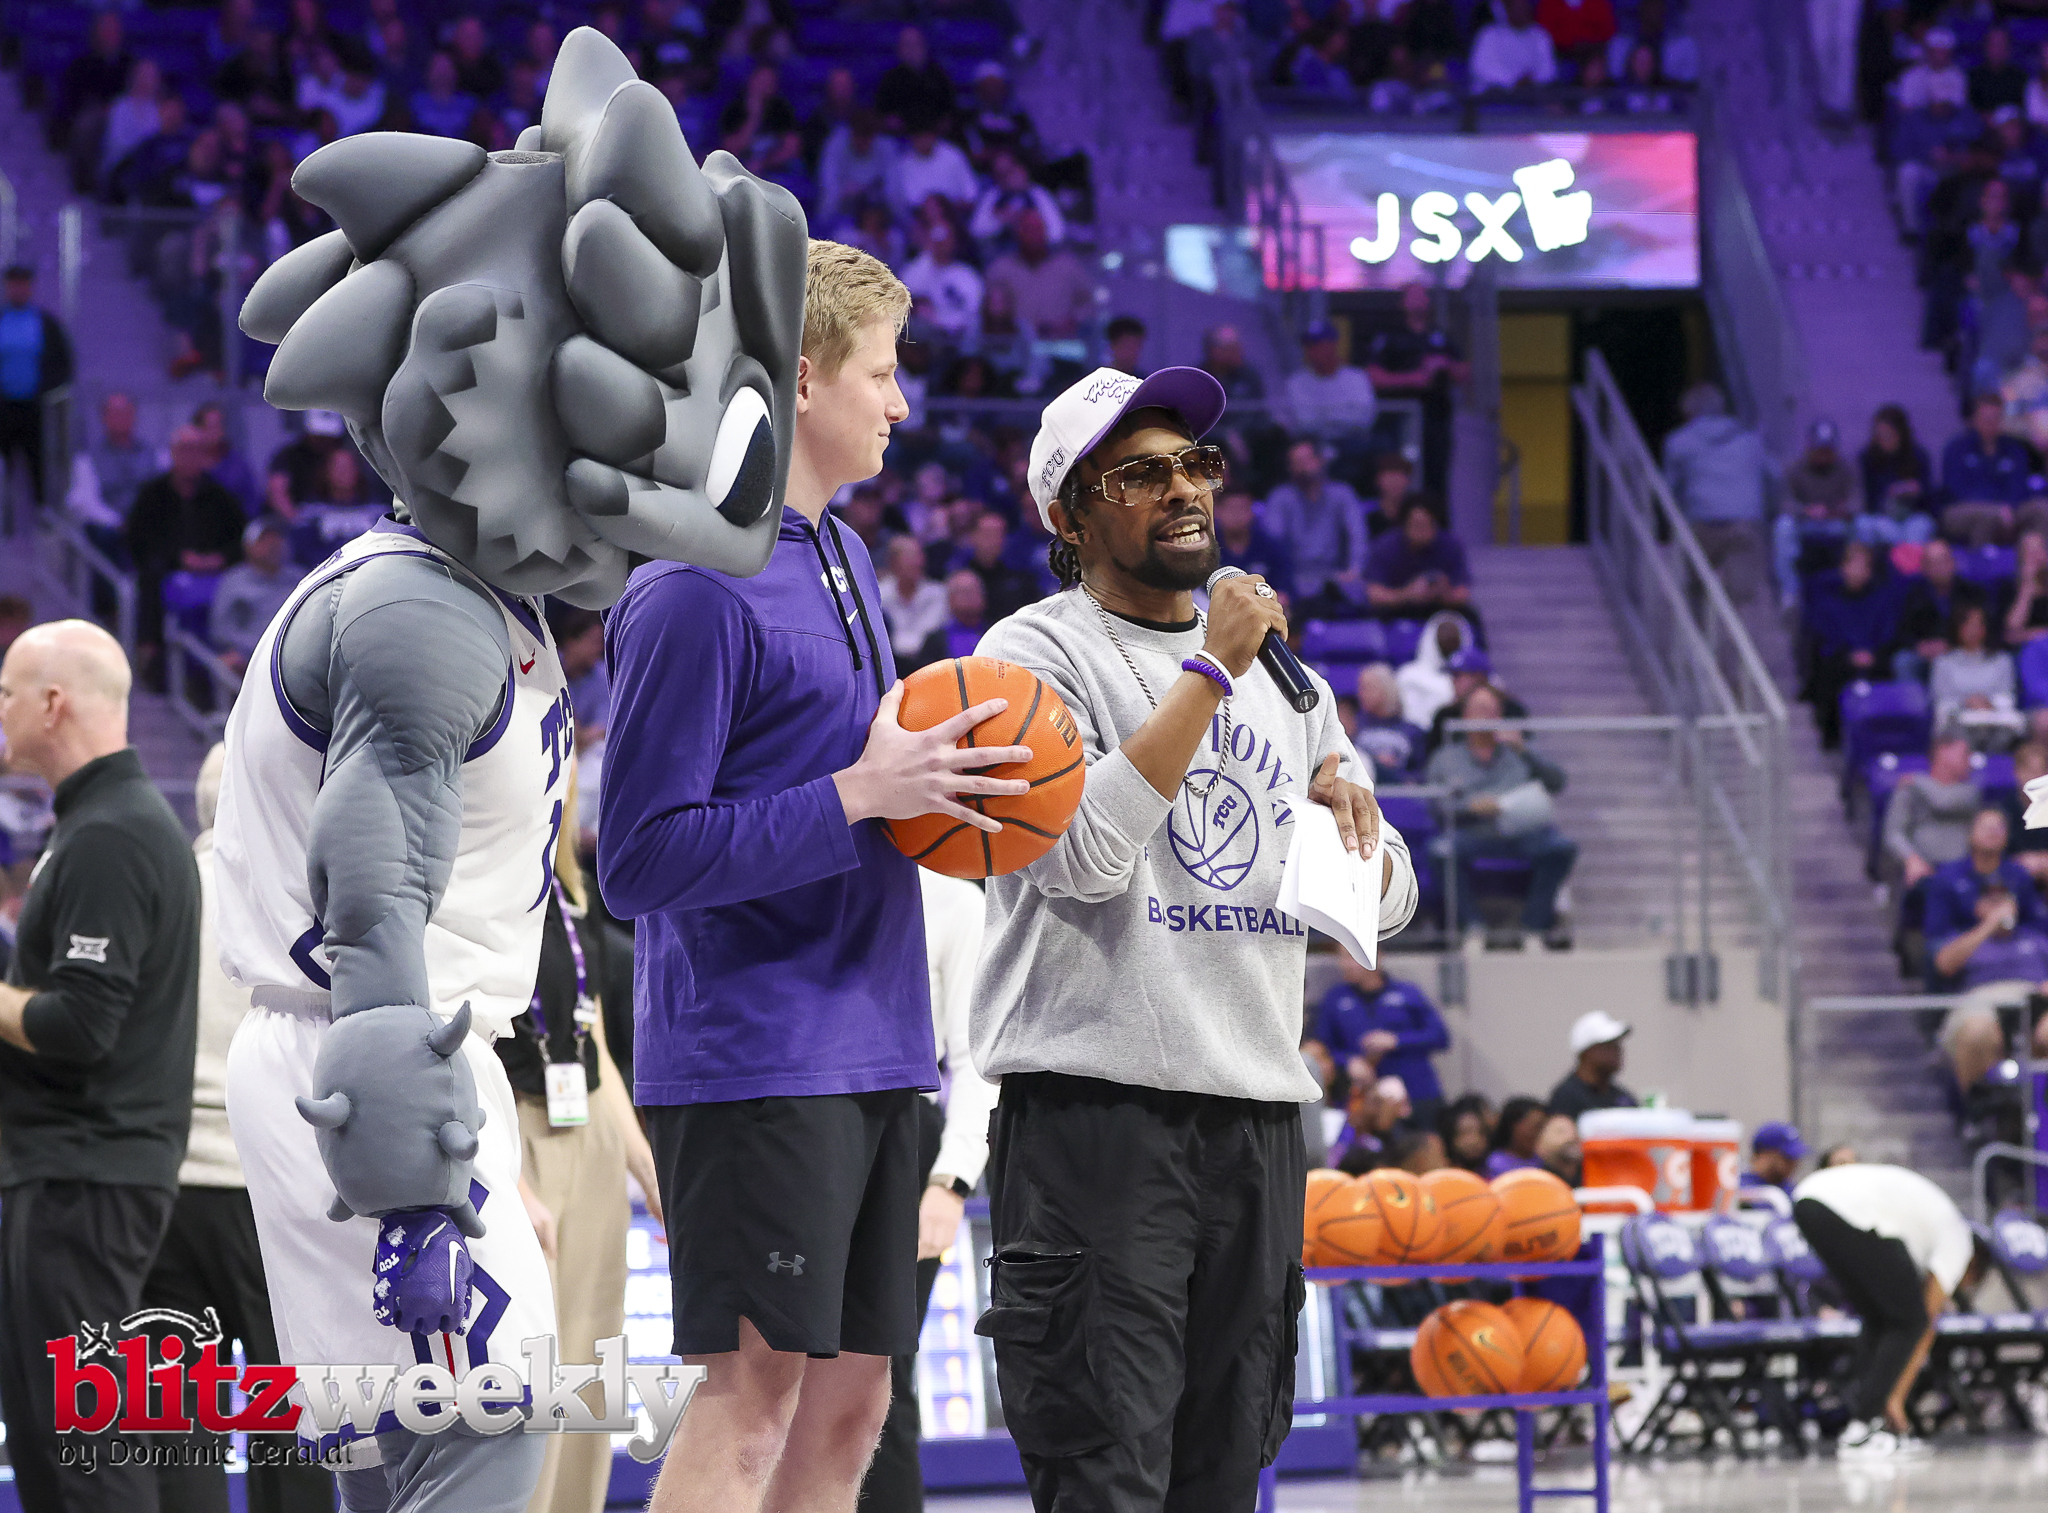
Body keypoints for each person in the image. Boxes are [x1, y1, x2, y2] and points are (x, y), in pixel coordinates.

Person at [598, 242, 1028, 1513]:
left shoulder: (839, 554)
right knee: (747, 1407)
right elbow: (637, 859)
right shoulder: (688, 588)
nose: (901, 402)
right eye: (881, 373)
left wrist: (944, 797)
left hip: (882, 1045)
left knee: (850, 1414)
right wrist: (858, 794)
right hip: (754, 1062)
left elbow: (869, 790)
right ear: (796, 377)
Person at [971, 361, 1417, 1508]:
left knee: (1223, 1475)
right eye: (1139, 474)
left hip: (1256, 1121)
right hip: (1094, 1118)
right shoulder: (1028, 656)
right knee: (1103, 1473)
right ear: (1068, 517)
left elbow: (1391, 900)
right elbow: (1079, 859)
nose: (1182, 490)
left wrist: (1349, 833)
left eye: (1195, 464)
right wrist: (1210, 669)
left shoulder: (1290, 681)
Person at [0, 620, 199, 1511]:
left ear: (52, 703)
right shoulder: (96, 823)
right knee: (56, 1445)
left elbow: (81, 1023)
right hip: (74, 1170)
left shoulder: (111, 834)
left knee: (86, 1454)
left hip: (86, 1175)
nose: (1, 710)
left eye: (7, 692)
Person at [144, 744, 331, 1513]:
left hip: (169, 1184)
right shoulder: (299, 900)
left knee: (178, 1430)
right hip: (272, 1184)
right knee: (292, 1423)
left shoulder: (158, 889)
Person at [498, 773, 661, 1513]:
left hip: (588, 1130)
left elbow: (592, 1043)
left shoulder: (572, 892)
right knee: (526, 1363)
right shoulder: (474, 889)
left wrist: (645, 1165)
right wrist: (505, 1176)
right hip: (513, 1131)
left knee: (594, 1356)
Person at [859, 870, 999, 1513]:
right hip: (804, 1132)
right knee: (783, 1372)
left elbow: (976, 1058)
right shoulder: (813, 867)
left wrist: (951, 1180)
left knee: (879, 1374)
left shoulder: (955, 900)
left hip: (905, 1141)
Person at [1791, 1161, 1986, 1459]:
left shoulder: (1930, 1228)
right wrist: (1895, 1398)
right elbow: (1925, 1321)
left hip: (1810, 1203)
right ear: (1973, 1266)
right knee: (1908, 1321)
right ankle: (1866, 1426)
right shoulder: (1958, 1242)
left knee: (1879, 1318)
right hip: (1842, 1208)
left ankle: (1866, 1423)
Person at [1425, 684, 1577, 948]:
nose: (1485, 716)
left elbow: (1558, 783)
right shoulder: (1446, 757)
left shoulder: (1520, 751)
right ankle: (1473, 927)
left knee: (1562, 848)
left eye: (1491, 710)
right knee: (1440, 851)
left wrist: (1524, 751)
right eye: (1479, 709)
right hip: (1473, 832)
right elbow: (1435, 804)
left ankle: (1533, 927)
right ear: (1465, 715)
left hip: (1522, 832)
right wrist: (1469, 807)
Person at [126, 425, 247, 677]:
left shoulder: (220, 496)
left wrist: (219, 559)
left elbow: (242, 538)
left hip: (216, 570)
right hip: (167, 568)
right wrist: (179, 558)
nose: (190, 457)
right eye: (184, 450)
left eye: (196, 450)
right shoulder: (152, 494)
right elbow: (138, 539)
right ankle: (152, 657)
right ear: (172, 453)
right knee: (150, 577)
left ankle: (230, 657)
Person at [1303, 949, 1450, 1122]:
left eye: (1352, 957)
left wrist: (1396, 1040)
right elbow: (1321, 1048)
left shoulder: (1407, 993)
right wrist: (1348, 1061)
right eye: (1341, 957)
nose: (1345, 964)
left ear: (1377, 957)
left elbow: (1439, 1036)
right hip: (1364, 1102)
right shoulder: (1335, 999)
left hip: (1417, 1093)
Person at [1661, 383, 1771, 606]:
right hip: (1745, 523)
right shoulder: (1749, 440)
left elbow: (1670, 490)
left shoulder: (1678, 441)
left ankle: (1696, 625)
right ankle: (1738, 627)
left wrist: (1673, 524)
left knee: (1693, 587)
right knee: (1741, 595)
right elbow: (1772, 479)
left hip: (1702, 524)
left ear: (1688, 412)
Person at [1364, 283, 1465, 495]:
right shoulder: (1390, 336)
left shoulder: (1439, 336)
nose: (1418, 300)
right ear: (1403, 303)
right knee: (1400, 473)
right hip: (1397, 419)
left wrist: (1444, 364)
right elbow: (1373, 376)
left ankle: (1434, 514)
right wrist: (1412, 379)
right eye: (1413, 295)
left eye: (1422, 295)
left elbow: (1465, 372)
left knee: (1436, 476)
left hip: (1436, 418)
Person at [1803, 540, 1901, 749]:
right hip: (1839, 658)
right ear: (1843, 568)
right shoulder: (1827, 601)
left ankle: (1884, 737)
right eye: (1853, 564)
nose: (1858, 571)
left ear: (1870, 571)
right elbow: (1824, 636)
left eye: (1863, 566)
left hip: (1876, 657)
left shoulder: (1882, 599)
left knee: (1895, 665)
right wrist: (1849, 655)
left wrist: (1872, 653)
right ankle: (1833, 738)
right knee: (1827, 668)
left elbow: (1888, 633)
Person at [1262, 438, 1369, 614]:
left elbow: (1357, 537)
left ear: (1320, 460)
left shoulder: (1342, 494)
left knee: (1358, 592)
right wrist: (1280, 579)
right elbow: (1273, 544)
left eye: (1307, 460)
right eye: (1297, 462)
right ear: (1290, 468)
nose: (1303, 467)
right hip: (1294, 577)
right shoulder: (1280, 497)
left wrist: (1354, 570)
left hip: (1336, 576)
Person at [0, 265, 75, 509]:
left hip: (36, 408)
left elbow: (63, 362)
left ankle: (43, 511)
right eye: (14, 284)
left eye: (23, 284)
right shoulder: (2, 320)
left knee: (39, 462)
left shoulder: (45, 323)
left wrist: (49, 392)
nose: (18, 289)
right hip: (3, 408)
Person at [1882, 735, 1981, 891]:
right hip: (1921, 869)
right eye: (1965, 754)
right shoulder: (1908, 791)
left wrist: (1915, 781)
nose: (1969, 760)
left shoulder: (1970, 791)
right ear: (1942, 752)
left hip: (1962, 872)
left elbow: (1944, 802)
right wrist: (1910, 858)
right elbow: (1893, 833)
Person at [1284, 321, 1378, 482]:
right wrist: (1341, 415)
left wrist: (1323, 416)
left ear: (1333, 345)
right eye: (1310, 346)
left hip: (1350, 442)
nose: (1314, 351)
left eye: (1320, 344)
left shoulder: (1357, 378)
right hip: (1311, 443)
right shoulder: (1296, 382)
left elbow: (1364, 419)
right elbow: (1303, 422)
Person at [211, 516, 305, 673]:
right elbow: (222, 631)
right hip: (250, 655)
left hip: (297, 652)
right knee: (228, 662)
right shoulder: (233, 581)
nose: (273, 544)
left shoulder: (300, 577)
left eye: (277, 538)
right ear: (248, 547)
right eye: (264, 540)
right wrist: (260, 647)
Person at [1941, 392, 2037, 546]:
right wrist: (1997, 508)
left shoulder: (2015, 449)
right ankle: (1980, 559)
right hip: (1964, 508)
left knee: (2041, 509)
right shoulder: (1956, 449)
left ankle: (2039, 558)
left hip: (2009, 508)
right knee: (1989, 515)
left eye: (1996, 417)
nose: (1992, 423)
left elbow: (2019, 485)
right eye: (1986, 418)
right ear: (1974, 419)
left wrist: (2009, 506)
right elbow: (1956, 489)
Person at [983, 209, 1093, 339]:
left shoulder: (1069, 266)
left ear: (1045, 232)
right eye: (1027, 229)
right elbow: (989, 310)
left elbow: (1088, 302)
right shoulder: (1000, 269)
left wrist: (1074, 320)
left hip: (1062, 342)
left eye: (1037, 229)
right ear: (1017, 233)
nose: (1033, 235)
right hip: (1016, 343)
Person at [1891, 538, 1984, 682]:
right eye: (1932, 563)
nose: (1939, 568)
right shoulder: (1911, 594)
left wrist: (1952, 644)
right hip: (1925, 653)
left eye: (1943, 561)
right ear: (1923, 568)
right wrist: (1919, 646)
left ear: (1953, 562)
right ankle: (1912, 697)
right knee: (1903, 661)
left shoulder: (1971, 592)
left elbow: (1981, 628)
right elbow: (1901, 631)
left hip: (1961, 648)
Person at [64, 391, 157, 536]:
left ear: (134, 415)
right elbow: (84, 501)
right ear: (103, 418)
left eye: (126, 413)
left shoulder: (154, 455)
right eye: (115, 414)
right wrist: (117, 523)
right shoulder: (86, 460)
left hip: (150, 524)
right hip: (110, 529)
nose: (121, 418)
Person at [1364, 501, 1473, 622]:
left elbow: (1463, 593)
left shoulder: (1451, 546)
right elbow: (1373, 594)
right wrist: (1407, 594)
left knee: (1470, 616)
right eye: (1416, 525)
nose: (1421, 531)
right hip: (1398, 610)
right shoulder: (1385, 546)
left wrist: (1445, 592)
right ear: (1404, 525)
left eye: (1426, 524)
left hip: (1440, 608)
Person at [1930, 602, 2019, 748]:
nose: (1973, 630)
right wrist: (1966, 703)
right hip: (1957, 723)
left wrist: (1988, 703)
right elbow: (1941, 702)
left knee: (2007, 733)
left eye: (1978, 625)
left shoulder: (2002, 660)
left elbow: (2008, 698)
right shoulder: (1943, 663)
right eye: (1967, 624)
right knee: (1955, 732)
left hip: (1995, 722)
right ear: (1957, 627)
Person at [1546, 1009, 1637, 1120]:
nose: (1617, 1050)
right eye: (1608, 1045)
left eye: (1617, 1044)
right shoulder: (1566, 1098)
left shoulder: (1622, 1097)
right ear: (1587, 1052)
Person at [1214, 485, 1295, 601]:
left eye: (1242, 508)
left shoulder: (1270, 547)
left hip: (1264, 607)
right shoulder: (1206, 548)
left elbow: (1284, 590)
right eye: (1230, 509)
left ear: (1252, 511)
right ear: (1217, 511)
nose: (1236, 515)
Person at [878, 535, 949, 669]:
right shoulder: (879, 594)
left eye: (919, 556)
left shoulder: (938, 594)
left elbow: (931, 633)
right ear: (893, 563)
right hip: (890, 663)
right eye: (910, 557)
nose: (917, 562)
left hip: (929, 663)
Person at [1353, 663, 1425, 779]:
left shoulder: (1413, 733)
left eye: (1367, 688)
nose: (1361, 694)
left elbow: (1420, 775)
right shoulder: (1354, 728)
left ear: (1386, 689)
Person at [1470, 0, 1559, 92]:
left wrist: (1532, 79)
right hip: (1494, 93)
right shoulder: (1489, 34)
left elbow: (1549, 69)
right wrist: (1513, 81)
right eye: (1517, 8)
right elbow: (1480, 69)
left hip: (1532, 92)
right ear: (1507, 10)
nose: (1522, 12)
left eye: (1524, 8)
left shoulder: (1540, 35)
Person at [1484, 1096, 1549, 1177]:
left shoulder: (1545, 1161)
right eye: (1536, 1127)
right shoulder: (1494, 1163)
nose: (1541, 1133)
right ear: (1514, 1126)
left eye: (1544, 1128)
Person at [1741, 1122, 1807, 1194]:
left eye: (1795, 1157)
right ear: (1763, 1154)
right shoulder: (1741, 1190)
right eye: (1787, 1157)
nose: (1793, 1163)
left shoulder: (1793, 1191)